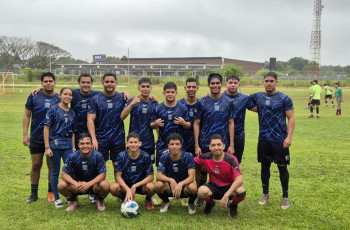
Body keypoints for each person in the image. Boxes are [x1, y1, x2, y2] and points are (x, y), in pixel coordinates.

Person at [248, 72, 295, 209]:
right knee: (264, 166)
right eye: (266, 81)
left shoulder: (284, 98)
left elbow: (291, 118)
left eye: (271, 81)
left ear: (276, 82)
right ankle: (265, 193)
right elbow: (244, 100)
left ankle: (285, 196)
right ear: (263, 82)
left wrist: (289, 137)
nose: (269, 83)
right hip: (263, 139)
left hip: (279, 140)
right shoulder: (258, 96)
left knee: (282, 167)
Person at [193, 73, 235, 207]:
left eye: (217, 83)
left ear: (221, 84)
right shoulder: (202, 102)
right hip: (205, 142)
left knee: (224, 170)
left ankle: (225, 195)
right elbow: (197, 123)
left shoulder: (228, 102)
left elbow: (231, 123)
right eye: (212, 83)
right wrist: (196, 145)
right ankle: (201, 196)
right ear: (209, 85)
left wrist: (231, 144)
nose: (215, 86)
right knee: (201, 170)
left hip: (222, 144)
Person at [23, 72, 60, 204]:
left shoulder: (60, 97)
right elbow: (27, 116)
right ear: (41, 83)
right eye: (45, 81)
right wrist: (25, 135)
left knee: (52, 166)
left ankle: (51, 192)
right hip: (36, 137)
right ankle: (33, 193)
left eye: (51, 81)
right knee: (36, 164)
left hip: (53, 139)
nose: (48, 83)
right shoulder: (34, 96)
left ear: (55, 83)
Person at [194, 134, 246, 218]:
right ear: (210, 147)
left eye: (219, 145)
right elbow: (188, 160)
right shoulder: (205, 157)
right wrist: (170, 152)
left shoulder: (231, 159)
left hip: (229, 187)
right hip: (213, 186)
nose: (216, 147)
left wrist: (226, 196)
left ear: (223, 146)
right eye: (213, 145)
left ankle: (233, 205)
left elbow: (240, 180)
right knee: (201, 191)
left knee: (241, 191)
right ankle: (210, 203)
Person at [57, 133, 110, 212]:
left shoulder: (98, 156)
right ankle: (73, 201)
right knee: (61, 185)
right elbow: (64, 174)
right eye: (82, 143)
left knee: (105, 184)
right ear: (78, 145)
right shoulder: (72, 156)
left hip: (93, 186)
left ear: (92, 144)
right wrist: (76, 184)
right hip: (77, 186)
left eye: (87, 143)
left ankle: (99, 200)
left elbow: (103, 175)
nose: (85, 146)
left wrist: (88, 184)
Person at [44, 87, 76, 208]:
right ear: (60, 95)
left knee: (69, 171)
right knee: (55, 171)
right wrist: (47, 147)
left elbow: (73, 132)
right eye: (65, 94)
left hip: (68, 144)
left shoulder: (72, 112)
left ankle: (70, 197)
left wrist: (73, 147)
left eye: (70, 95)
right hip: (55, 144)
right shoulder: (53, 109)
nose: (68, 97)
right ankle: (57, 198)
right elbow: (46, 128)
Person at [87, 73, 127, 168]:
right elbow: (90, 120)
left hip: (118, 139)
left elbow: (138, 99)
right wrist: (93, 139)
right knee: (98, 167)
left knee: (119, 167)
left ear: (116, 83)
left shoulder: (122, 98)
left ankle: (120, 184)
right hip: (100, 139)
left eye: (112, 82)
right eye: (107, 82)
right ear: (102, 83)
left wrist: (152, 97)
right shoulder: (95, 99)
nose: (109, 84)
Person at [110, 133, 155, 210]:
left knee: (152, 187)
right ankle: (124, 198)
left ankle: (148, 199)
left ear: (140, 143)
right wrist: (128, 189)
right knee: (113, 188)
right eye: (131, 142)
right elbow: (117, 176)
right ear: (127, 144)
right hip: (126, 185)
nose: (133, 144)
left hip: (140, 186)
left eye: (135, 142)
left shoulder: (146, 156)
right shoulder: (121, 156)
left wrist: (135, 186)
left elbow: (150, 176)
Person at [155, 133, 197, 214]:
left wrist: (181, 184)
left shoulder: (188, 156)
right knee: (158, 185)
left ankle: (191, 203)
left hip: (184, 188)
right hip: (171, 188)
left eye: (177, 144)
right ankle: (166, 201)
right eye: (172, 144)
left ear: (181, 145)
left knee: (193, 187)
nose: (174, 147)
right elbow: (159, 175)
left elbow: (191, 177)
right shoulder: (164, 156)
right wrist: (171, 180)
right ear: (168, 146)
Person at [150, 82, 190, 166]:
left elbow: (189, 125)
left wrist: (183, 123)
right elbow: (151, 125)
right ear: (164, 93)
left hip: (178, 145)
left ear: (176, 93)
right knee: (161, 170)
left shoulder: (182, 108)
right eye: (168, 92)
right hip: (162, 145)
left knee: (178, 169)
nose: (170, 94)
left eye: (172, 92)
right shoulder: (158, 108)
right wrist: (156, 124)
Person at [121, 77, 158, 163]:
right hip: (134, 142)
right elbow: (122, 116)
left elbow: (156, 123)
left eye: (147, 86)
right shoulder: (134, 101)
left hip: (149, 142)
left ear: (151, 88)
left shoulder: (154, 103)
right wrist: (131, 104)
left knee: (148, 167)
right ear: (139, 88)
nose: (145, 88)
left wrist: (159, 137)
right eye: (143, 86)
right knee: (132, 165)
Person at [223, 75, 250, 163]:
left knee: (236, 163)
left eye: (235, 83)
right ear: (225, 84)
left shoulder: (244, 98)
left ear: (239, 85)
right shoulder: (220, 97)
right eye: (230, 83)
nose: (233, 85)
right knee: (222, 162)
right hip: (223, 135)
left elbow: (259, 108)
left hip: (239, 135)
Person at [178, 77, 202, 155]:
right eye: (189, 87)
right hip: (182, 143)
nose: (191, 89)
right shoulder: (179, 104)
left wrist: (197, 145)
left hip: (198, 143)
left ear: (197, 88)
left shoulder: (201, 104)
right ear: (185, 88)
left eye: (193, 87)